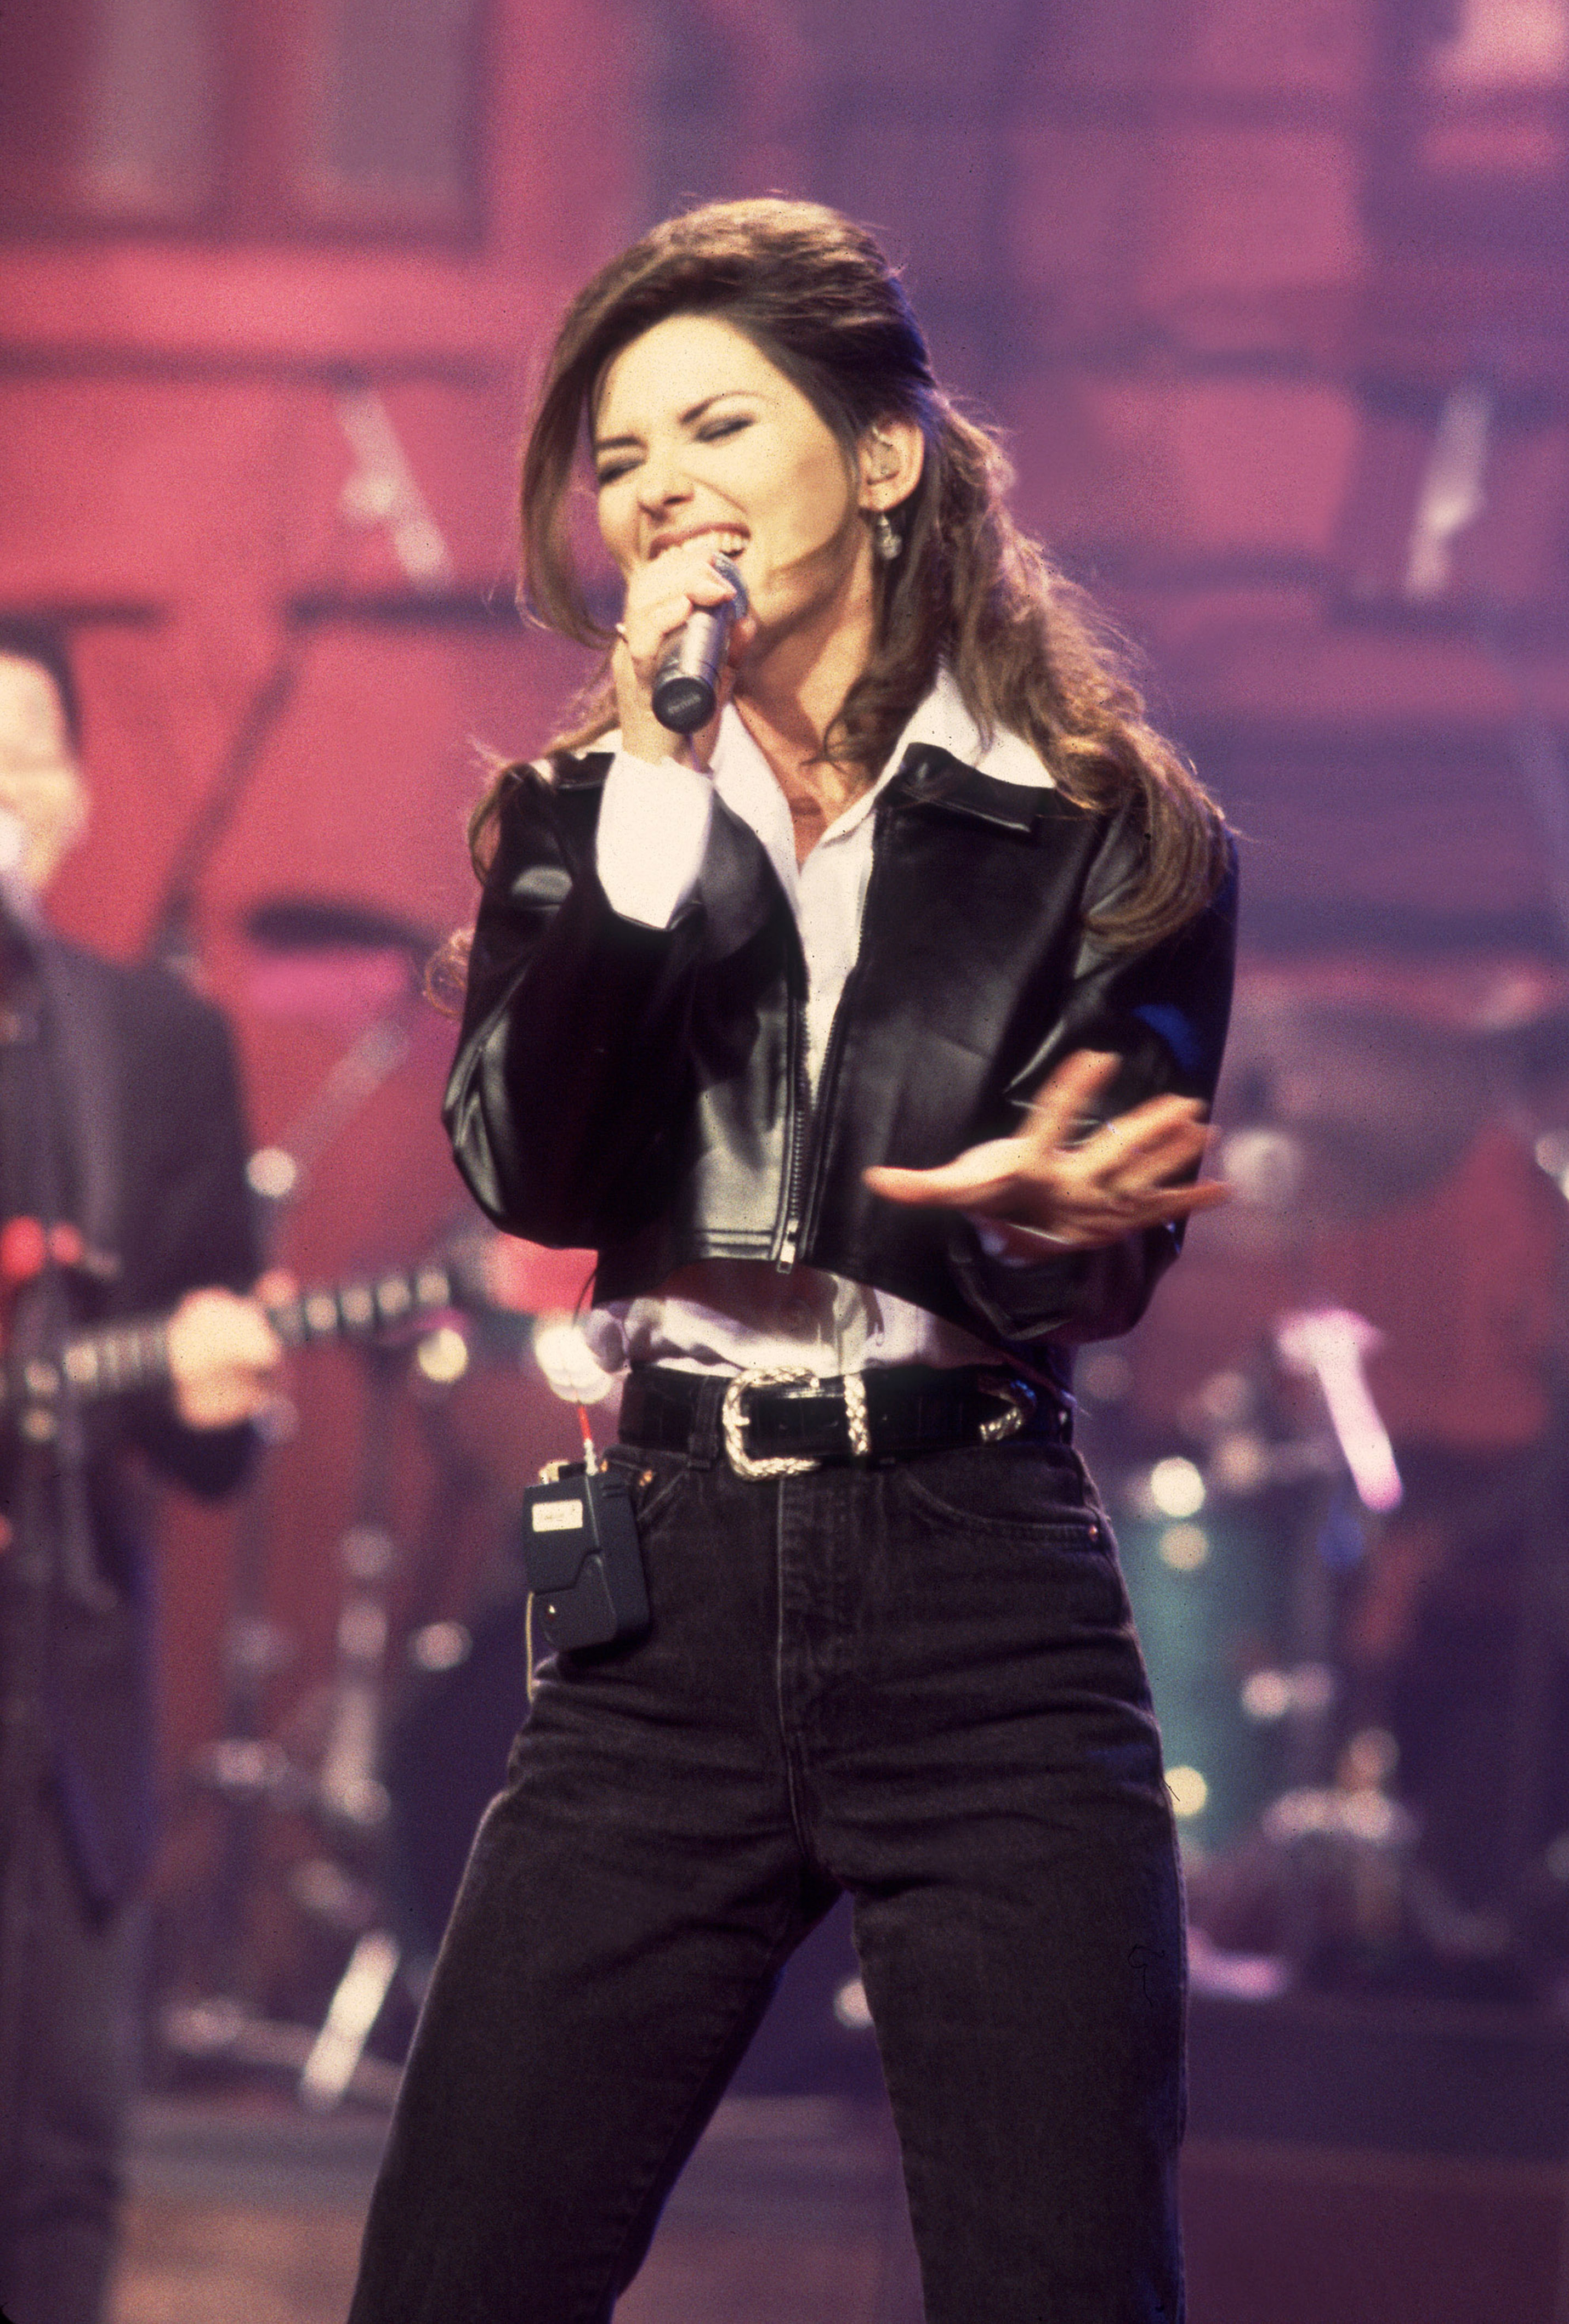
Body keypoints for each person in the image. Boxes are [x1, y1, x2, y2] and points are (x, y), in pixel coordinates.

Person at [349, 199, 1237, 2324]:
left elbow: (1098, 1244)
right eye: (619, 455)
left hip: (980, 1592)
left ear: (886, 452)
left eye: (714, 423)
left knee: (1063, 2277)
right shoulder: (584, 811)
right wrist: (655, 784)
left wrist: (1058, 1211)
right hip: (664, 1597)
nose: (658, 486)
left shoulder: (1106, 821)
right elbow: (540, 1168)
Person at [0, 625, 286, 2324]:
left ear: (81, 796)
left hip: (67, 1674)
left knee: (59, 2155)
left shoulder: (155, 1046)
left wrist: (219, 1387)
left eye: (24, 749)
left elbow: (205, 1440)